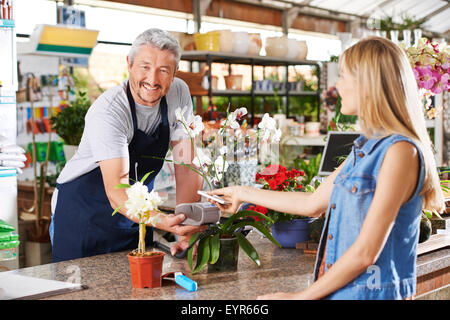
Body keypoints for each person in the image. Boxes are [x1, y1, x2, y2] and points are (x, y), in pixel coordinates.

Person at [209, 37, 445, 300]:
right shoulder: (366, 147)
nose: (338, 86)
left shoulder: (400, 152)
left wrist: (301, 297)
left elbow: (366, 251)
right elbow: (312, 203)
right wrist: (242, 193)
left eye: (343, 76)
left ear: (367, 84)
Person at [50, 28, 205, 262]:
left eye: (163, 70)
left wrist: (187, 226)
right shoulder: (110, 111)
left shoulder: (178, 93)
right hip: (84, 216)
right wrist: (162, 220)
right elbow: (116, 190)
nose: (152, 80)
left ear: (174, 73)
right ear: (129, 65)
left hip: (136, 217)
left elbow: (187, 166)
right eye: (144, 67)